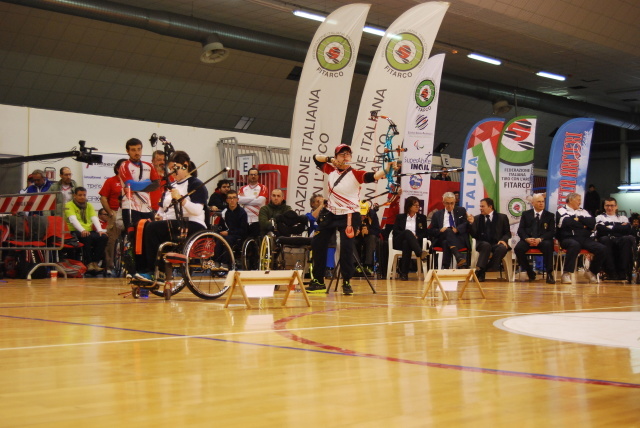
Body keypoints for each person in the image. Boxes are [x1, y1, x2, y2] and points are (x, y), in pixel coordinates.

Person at [306, 144, 394, 294]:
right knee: (318, 242)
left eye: (348, 154)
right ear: (336, 156)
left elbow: (374, 176)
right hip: (331, 213)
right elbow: (315, 158)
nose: (345, 157)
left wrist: (387, 169)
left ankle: (346, 281)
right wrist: (330, 160)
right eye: (342, 154)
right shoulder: (330, 169)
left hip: (349, 215)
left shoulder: (356, 174)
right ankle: (318, 281)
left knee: (347, 248)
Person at [134, 151, 208, 283]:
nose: (172, 173)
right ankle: (141, 269)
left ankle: (156, 272)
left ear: (185, 165)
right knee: (142, 228)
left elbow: (197, 211)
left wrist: (182, 200)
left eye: (175, 169)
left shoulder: (196, 184)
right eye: (170, 170)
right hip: (173, 225)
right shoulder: (171, 186)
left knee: (152, 228)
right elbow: (162, 209)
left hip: (192, 225)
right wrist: (159, 216)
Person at [556, 192, 606, 284]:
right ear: (570, 200)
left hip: (584, 239)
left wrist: (579, 219)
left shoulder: (583, 211)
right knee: (574, 245)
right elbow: (567, 222)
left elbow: (592, 223)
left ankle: (591, 272)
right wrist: (583, 225)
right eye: (578, 200)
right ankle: (566, 273)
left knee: (601, 248)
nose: (580, 202)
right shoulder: (561, 210)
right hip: (568, 238)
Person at [118, 138, 161, 231]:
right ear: (127, 151)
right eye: (133, 150)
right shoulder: (124, 165)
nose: (137, 152)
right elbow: (131, 185)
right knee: (132, 235)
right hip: (130, 206)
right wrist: (148, 183)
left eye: (139, 149)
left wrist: (136, 186)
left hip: (146, 207)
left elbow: (156, 185)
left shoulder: (149, 165)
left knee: (149, 234)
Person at [514, 193, 556, 284]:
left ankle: (549, 273)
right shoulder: (526, 214)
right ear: (533, 203)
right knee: (518, 248)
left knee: (549, 245)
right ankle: (529, 271)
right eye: (539, 202)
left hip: (542, 240)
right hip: (528, 239)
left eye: (542, 201)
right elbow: (521, 230)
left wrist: (540, 239)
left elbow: (551, 232)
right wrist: (527, 239)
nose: (541, 203)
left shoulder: (550, 215)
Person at [64, 187, 108, 273]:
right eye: (80, 195)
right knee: (86, 237)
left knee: (103, 237)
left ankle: (95, 262)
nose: (82, 197)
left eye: (84, 195)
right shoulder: (69, 205)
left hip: (88, 230)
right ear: (74, 196)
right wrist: (82, 230)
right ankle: (89, 263)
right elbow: (73, 219)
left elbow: (94, 218)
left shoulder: (89, 205)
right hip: (74, 230)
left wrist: (99, 230)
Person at [467, 197, 511, 282]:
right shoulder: (476, 218)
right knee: (486, 245)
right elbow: (474, 235)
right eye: (480, 206)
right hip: (482, 243)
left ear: (490, 207)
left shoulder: (502, 217)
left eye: (482, 206)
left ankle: (483, 269)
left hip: (496, 243)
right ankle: (483, 271)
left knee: (502, 248)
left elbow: (507, 233)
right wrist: (472, 224)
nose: (480, 208)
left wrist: (503, 240)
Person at [595, 197, 635, 281]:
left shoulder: (623, 218)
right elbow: (601, 230)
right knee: (605, 239)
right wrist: (619, 227)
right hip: (606, 239)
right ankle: (611, 272)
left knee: (627, 239)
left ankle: (622, 272)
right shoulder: (599, 217)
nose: (610, 208)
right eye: (607, 205)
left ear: (616, 206)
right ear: (604, 206)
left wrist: (609, 227)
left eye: (612, 205)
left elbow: (627, 230)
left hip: (621, 239)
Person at [392, 196, 430, 281]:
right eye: (415, 205)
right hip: (399, 241)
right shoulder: (400, 217)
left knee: (407, 243)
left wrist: (417, 237)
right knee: (407, 232)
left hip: (414, 242)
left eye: (418, 205)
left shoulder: (422, 218)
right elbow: (395, 231)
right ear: (409, 206)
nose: (417, 207)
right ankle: (420, 253)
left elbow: (425, 233)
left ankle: (404, 274)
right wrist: (408, 234)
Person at [99, 158, 126, 275]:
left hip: (129, 211)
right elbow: (103, 198)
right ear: (117, 169)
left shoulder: (131, 182)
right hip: (115, 211)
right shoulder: (111, 181)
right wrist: (109, 212)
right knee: (112, 239)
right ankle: (109, 265)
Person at [429, 191, 469, 268]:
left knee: (446, 242)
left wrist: (457, 229)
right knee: (447, 231)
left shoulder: (461, 210)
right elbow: (431, 230)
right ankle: (458, 257)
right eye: (447, 203)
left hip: (458, 238)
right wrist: (440, 230)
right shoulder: (437, 214)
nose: (449, 205)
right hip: (441, 237)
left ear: (455, 202)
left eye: (452, 203)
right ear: (443, 203)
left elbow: (466, 224)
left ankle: (445, 267)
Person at [238, 167, 268, 236]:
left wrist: (244, 200)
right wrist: (254, 197)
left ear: (258, 176)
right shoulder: (242, 188)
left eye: (255, 174)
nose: (253, 176)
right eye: (251, 175)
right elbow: (239, 200)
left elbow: (260, 201)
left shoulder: (263, 187)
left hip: (257, 219)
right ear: (248, 176)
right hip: (245, 218)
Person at [355, 202, 381, 276]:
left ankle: (368, 265)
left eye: (364, 214)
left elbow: (377, 230)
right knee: (351, 240)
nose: (362, 216)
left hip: (368, 237)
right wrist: (355, 231)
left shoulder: (372, 215)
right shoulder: (354, 214)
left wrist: (368, 231)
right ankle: (356, 265)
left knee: (372, 238)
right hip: (357, 237)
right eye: (361, 214)